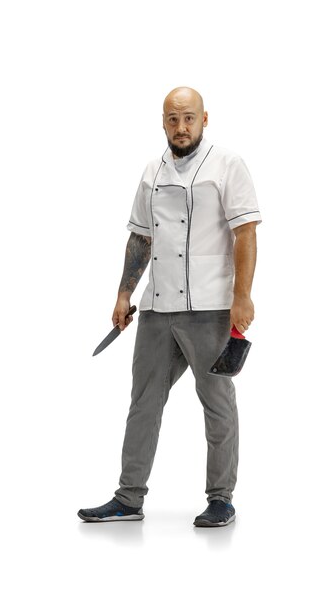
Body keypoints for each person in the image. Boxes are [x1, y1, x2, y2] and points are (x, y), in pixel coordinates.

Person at [78, 86, 262, 527]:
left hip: (211, 306)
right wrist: (124, 293)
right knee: (143, 401)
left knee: (217, 402)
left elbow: (246, 233)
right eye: (173, 119)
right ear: (163, 122)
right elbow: (141, 236)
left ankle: (221, 498)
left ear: (205, 119)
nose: (181, 127)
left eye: (189, 118)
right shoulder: (151, 171)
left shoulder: (227, 165)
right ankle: (128, 497)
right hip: (158, 309)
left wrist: (242, 296)